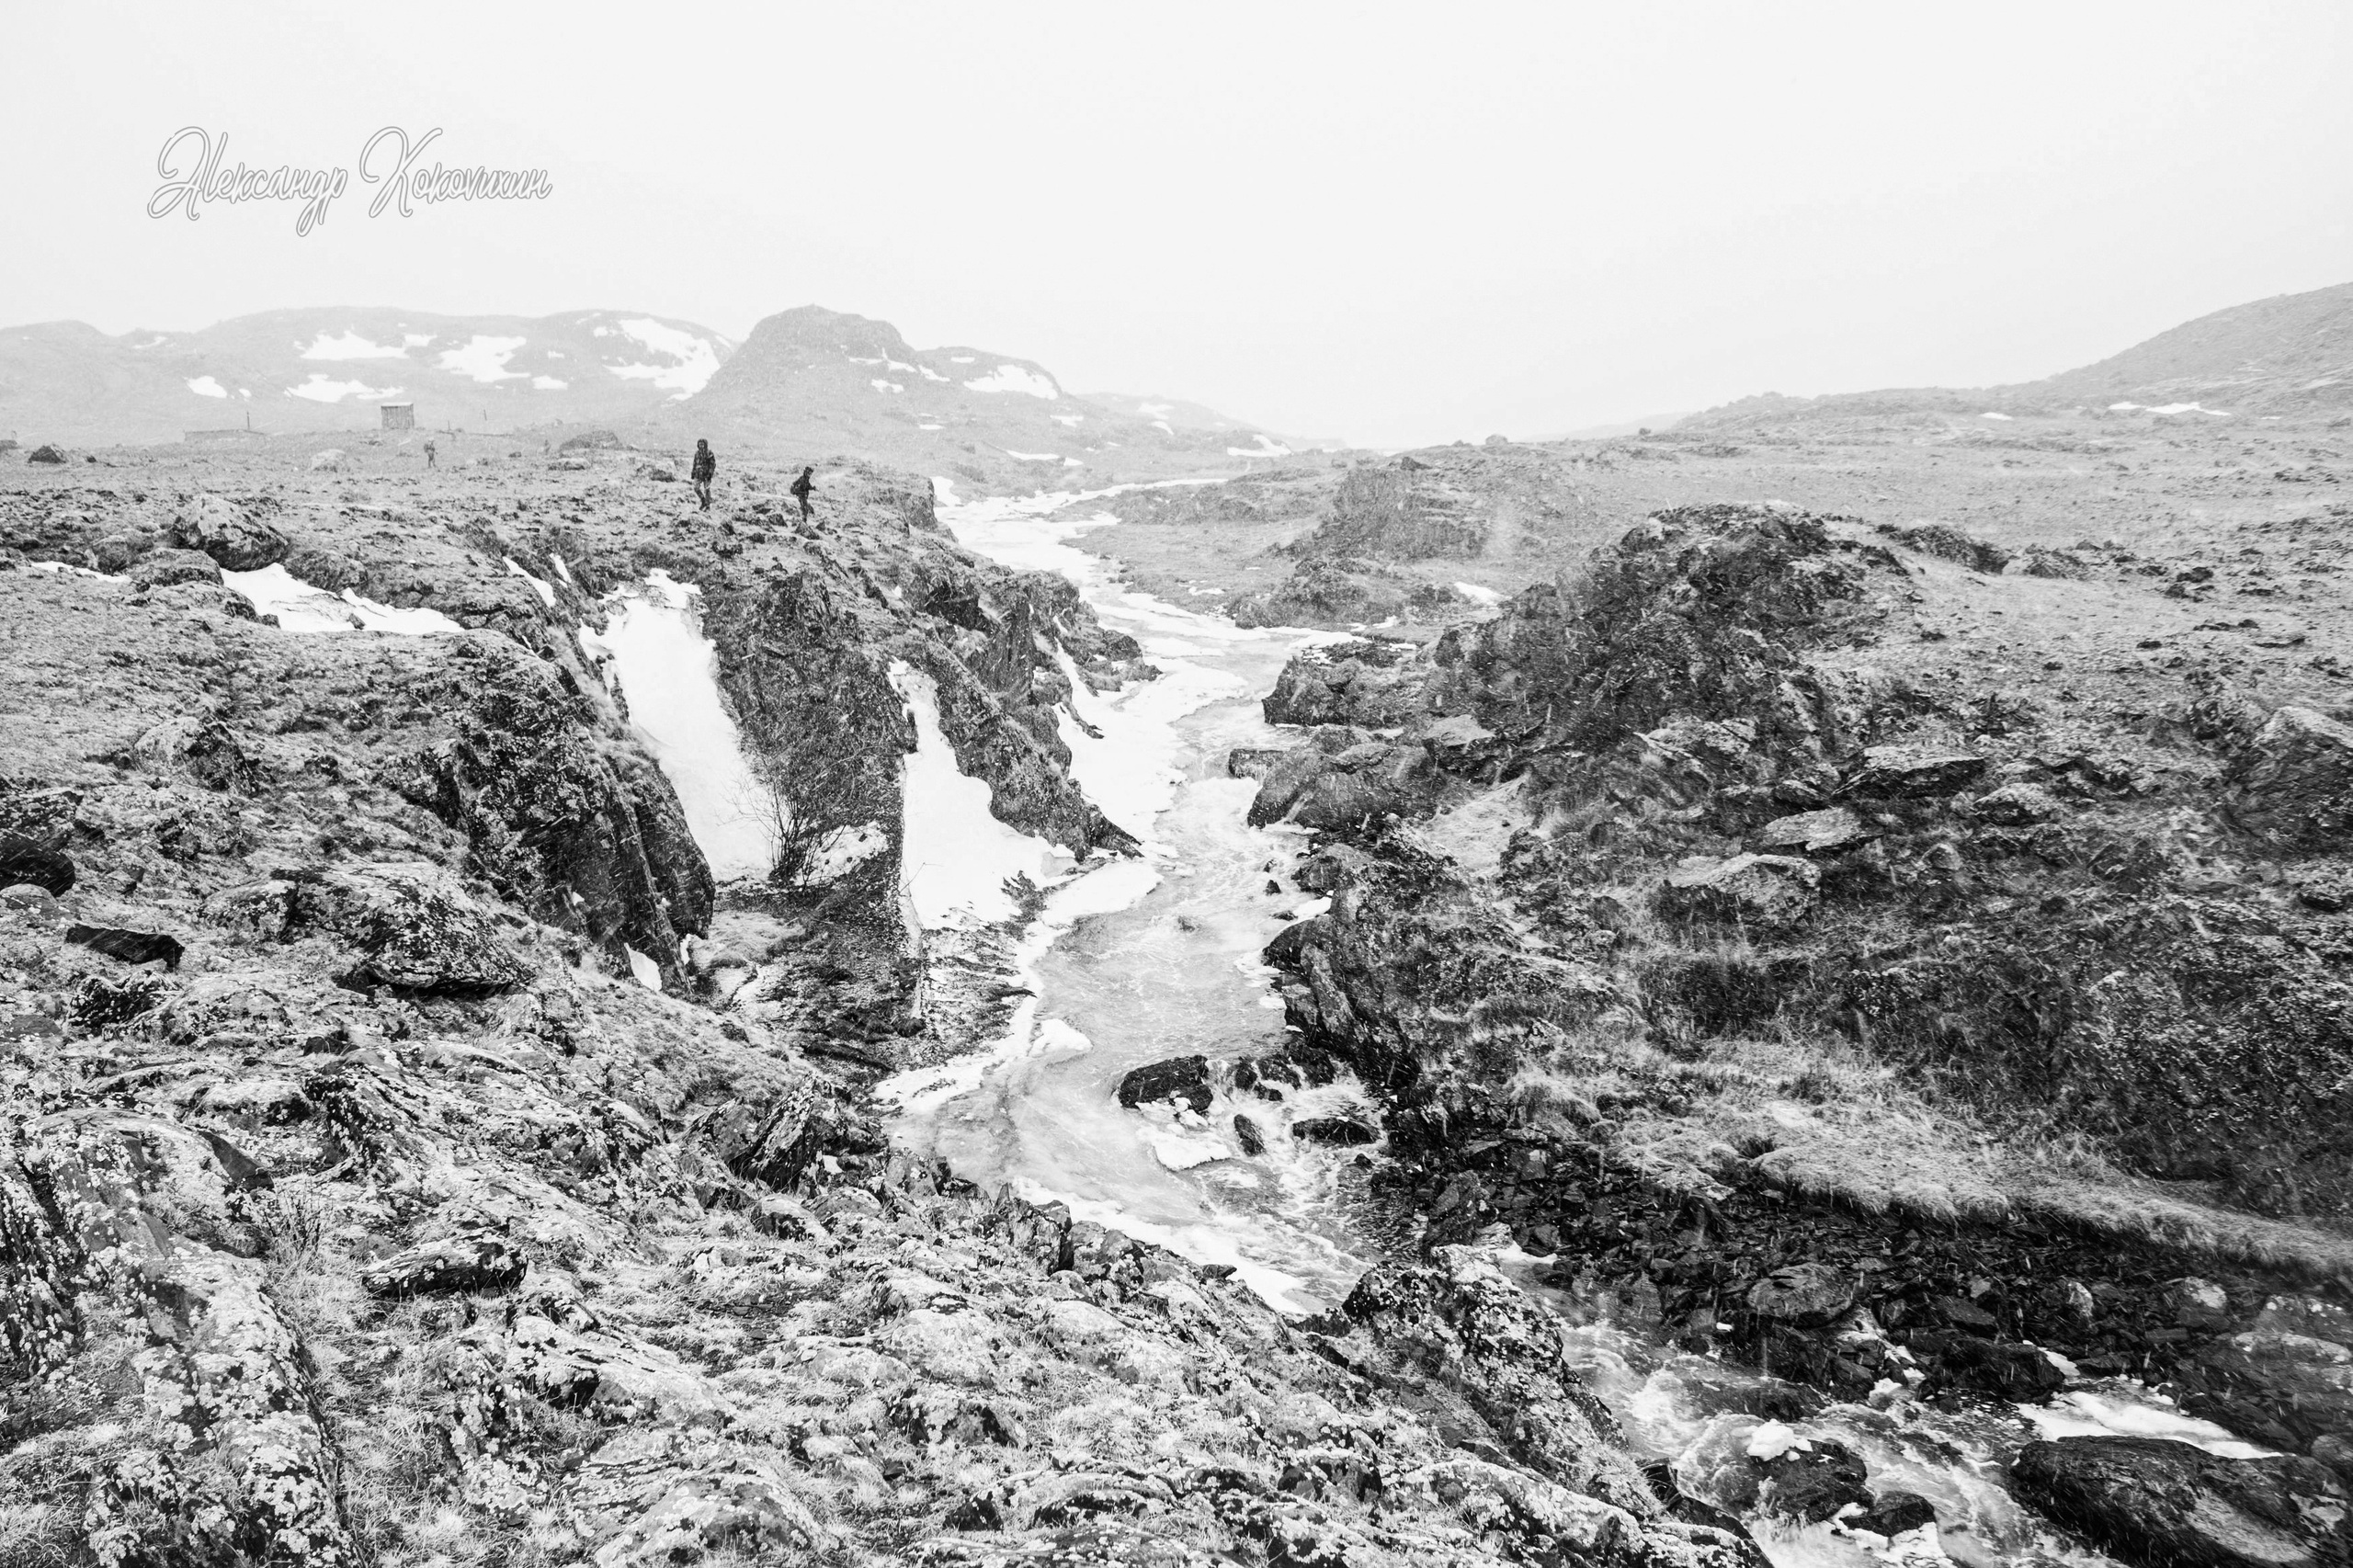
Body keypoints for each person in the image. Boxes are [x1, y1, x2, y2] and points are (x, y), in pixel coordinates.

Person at [691, 438, 716, 511]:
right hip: (698, 474)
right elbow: (695, 464)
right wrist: (693, 472)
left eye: (702, 444)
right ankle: (703, 501)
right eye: (699, 444)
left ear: (705, 445)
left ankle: (708, 506)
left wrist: (710, 473)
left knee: (707, 489)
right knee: (696, 488)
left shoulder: (709, 453)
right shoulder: (697, 454)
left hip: (706, 474)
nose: (701, 446)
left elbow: (712, 464)